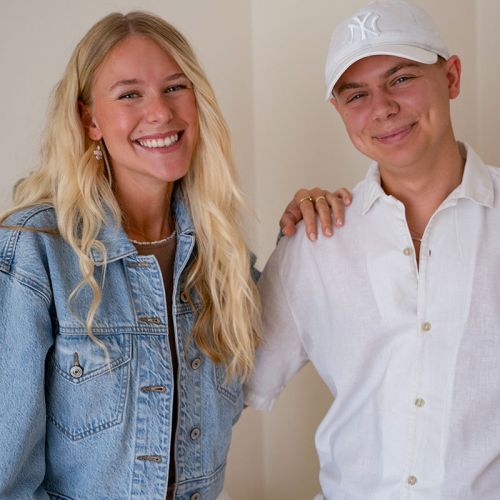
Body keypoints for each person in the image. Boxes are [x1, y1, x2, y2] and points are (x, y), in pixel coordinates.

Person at [0, 11, 346, 500]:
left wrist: (302, 233)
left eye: (175, 87)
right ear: (89, 120)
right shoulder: (36, 252)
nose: (160, 112)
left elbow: (260, 366)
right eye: (130, 94)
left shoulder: (221, 255)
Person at [245, 0, 500, 498]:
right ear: (339, 111)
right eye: (356, 94)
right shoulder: (314, 244)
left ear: (451, 77)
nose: (382, 108)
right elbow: (230, 381)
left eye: (401, 78)